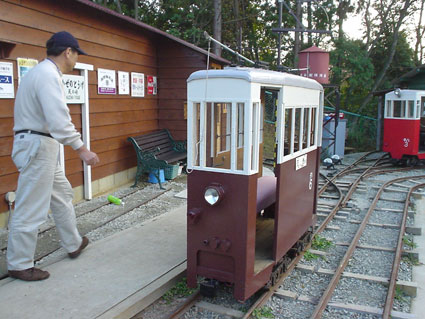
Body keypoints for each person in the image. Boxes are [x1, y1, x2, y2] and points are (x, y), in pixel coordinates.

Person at [7, 31, 100, 281]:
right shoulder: (49, 75)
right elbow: (59, 120)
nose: (77, 60)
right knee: (30, 208)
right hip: (38, 145)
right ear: (67, 51)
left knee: (61, 195)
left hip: (38, 145)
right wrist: (82, 149)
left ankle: (73, 243)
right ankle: (19, 263)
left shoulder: (38, 73)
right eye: (77, 54)